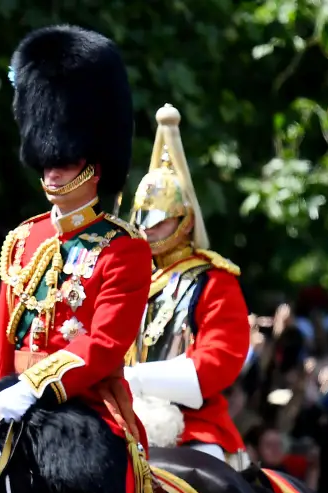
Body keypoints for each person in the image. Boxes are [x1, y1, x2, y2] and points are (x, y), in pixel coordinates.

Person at [0, 25, 151, 493]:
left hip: (85, 407)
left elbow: (104, 344)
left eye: (66, 159)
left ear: (94, 165)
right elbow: (1, 337)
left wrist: (34, 387)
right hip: (11, 401)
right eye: (47, 159)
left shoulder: (123, 248)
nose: (52, 171)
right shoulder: (21, 240)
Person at [123, 104, 251, 470]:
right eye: (143, 220)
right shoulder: (127, 278)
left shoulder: (214, 281)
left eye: (159, 221)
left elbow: (218, 363)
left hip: (190, 427)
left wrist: (135, 378)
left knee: (206, 483)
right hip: (119, 417)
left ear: (183, 220)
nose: (148, 230)